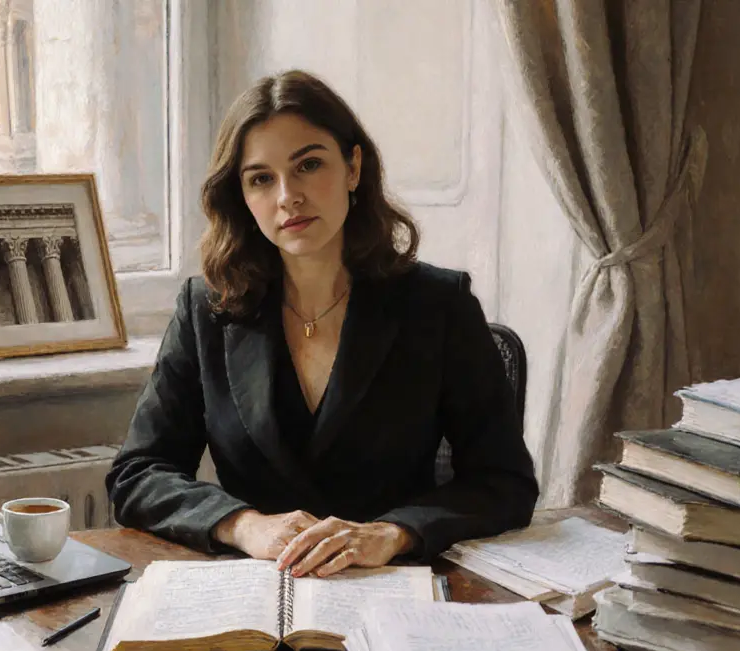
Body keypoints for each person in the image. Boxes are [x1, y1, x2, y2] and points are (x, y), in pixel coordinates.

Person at [106, 69, 537, 579]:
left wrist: (394, 532)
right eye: (261, 178)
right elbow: (138, 473)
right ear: (241, 196)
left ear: (353, 167)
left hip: (394, 585)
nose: (288, 195)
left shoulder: (439, 305)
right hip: (256, 588)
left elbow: (505, 482)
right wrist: (243, 525)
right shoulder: (206, 309)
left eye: (308, 165)